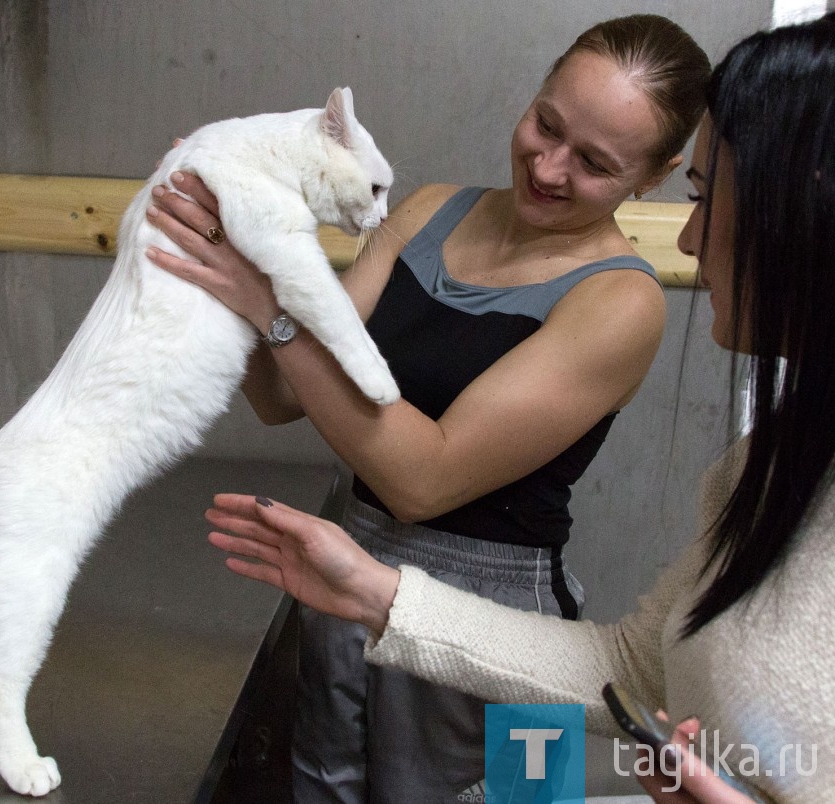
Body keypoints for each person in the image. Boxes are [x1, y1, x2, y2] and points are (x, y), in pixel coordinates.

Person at [197, 12, 835, 803]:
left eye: (596, 163)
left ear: (654, 176)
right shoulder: (429, 209)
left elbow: (421, 478)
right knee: (323, 783)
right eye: (546, 124)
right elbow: (285, 392)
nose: (550, 165)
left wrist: (277, 309)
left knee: (495, 795)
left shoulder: (623, 300)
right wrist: (243, 258)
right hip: (352, 565)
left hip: (498, 601)